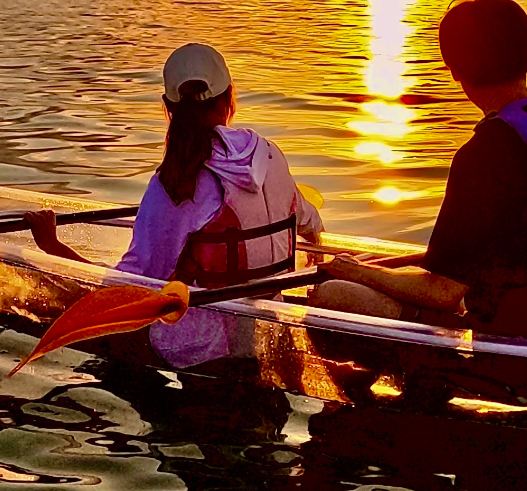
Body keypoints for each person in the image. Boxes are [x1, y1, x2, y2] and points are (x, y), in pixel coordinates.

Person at [312, 0, 527, 342]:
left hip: (524, 339)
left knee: (333, 295)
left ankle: (418, 391)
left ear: (454, 70)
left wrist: (359, 272)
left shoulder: (488, 151)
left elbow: (443, 292)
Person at [25, 42, 323, 365]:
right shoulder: (270, 155)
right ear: (230, 97)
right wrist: (315, 243)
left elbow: (124, 287)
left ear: (168, 107)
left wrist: (51, 246)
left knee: (71, 325)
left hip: (192, 352)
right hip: (266, 340)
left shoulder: (175, 184)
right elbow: (310, 221)